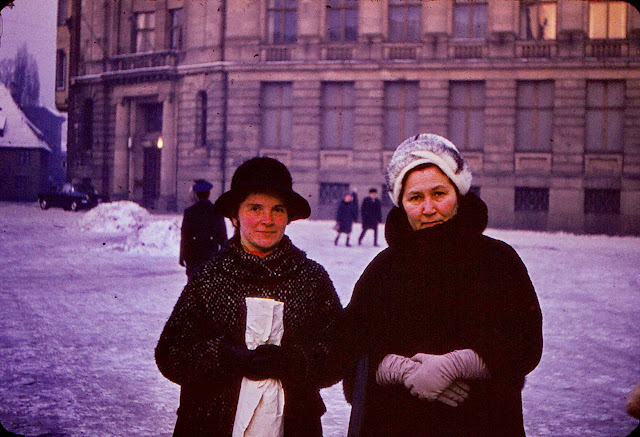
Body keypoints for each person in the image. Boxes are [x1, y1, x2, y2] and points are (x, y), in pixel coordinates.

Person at [342, 133, 543, 436]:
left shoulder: (498, 260)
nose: (428, 208)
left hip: (481, 422)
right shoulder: (382, 269)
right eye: (415, 198)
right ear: (401, 204)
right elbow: (349, 348)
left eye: (439, 194)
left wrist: (463, 363)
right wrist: (391, 369)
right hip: (396, 425)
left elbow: (526, 342)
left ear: (458, 194)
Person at [156, 157, 343, 436]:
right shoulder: (210, 277)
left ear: (288, 217)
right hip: (209, 423)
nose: (267, 220)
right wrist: (224, 357)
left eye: (277, 210)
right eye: (255, 208)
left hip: (293, 425)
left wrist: (294, 362)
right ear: (235, 215)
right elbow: (170, 354)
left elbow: (339, 355)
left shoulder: (311, 278)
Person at [179, 179, 228, 278]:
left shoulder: (189, 212)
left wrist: (182, 255)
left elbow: (185, 237)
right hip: (211, 253)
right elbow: (222, 237)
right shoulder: (217, 212)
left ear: (196, 194)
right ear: (209, 194)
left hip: (193, 254)